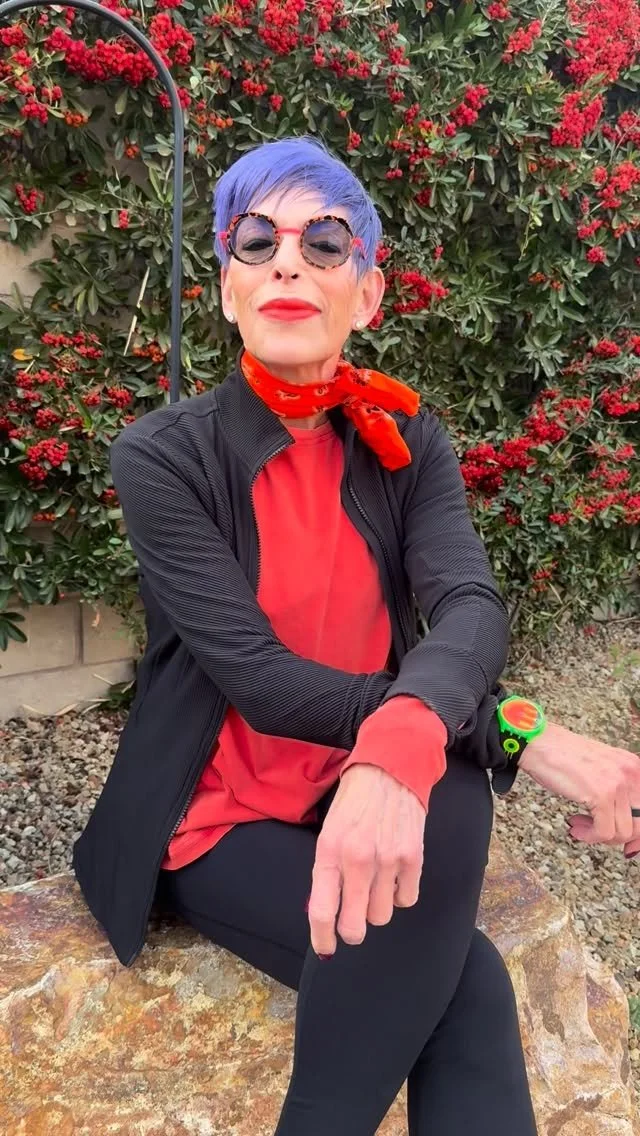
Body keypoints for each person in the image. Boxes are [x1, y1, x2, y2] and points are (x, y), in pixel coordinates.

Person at [72, 135, 640, 1136]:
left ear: (366, 294)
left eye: (324, 241)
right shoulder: (161, 455)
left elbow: (469, 606)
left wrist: (413, 740)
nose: (287, 262)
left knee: (450, 797)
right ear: (228, 290)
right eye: (257, 241)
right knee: (465, 982)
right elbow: (259, 678)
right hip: (222, 809)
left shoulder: (404, 438)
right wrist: (518, 732)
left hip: (367, 768)